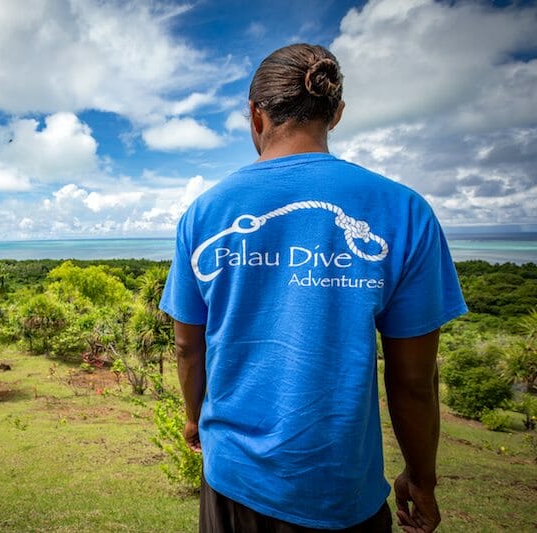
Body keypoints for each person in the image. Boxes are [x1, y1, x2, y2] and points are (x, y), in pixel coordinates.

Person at [158, 43, 467, 533]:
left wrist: (194, 417)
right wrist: (421, 476)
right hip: (343, 494)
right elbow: (413, 379)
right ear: (336, 113)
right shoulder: (405, 211)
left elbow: (186, 346)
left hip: (233, 482)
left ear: (255, 115)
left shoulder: (205, 213)